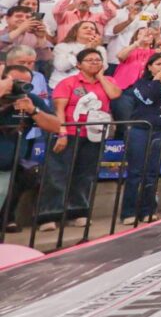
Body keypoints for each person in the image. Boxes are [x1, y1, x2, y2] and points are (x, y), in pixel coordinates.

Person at [37, 48, 122, 230]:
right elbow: (59, 110)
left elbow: (114, 95)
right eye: (89, 60)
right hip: (69, 133)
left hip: (94, 135)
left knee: (85, 175)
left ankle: (78, 212)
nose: (95, 63)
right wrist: (62, 133)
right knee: (57, 174)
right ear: (78, 65)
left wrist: (100, 77)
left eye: (98, 60)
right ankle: (48, 215)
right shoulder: (67, 82)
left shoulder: (108, 81)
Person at [120, 54, 161, 225]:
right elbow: (147, 98)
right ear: (149, 66)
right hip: (140, 130)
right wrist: (157, 80)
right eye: (158, 64)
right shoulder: (141, 84)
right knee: (135, 172)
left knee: (152, 173)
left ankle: (148, 210)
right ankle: (129, 212)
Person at [0, 65, 61, 232]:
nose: (21, 86)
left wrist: (33, 110)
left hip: (6, 168)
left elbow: (56, 126)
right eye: (16, 82)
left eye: (27, 83)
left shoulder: (29, 99)